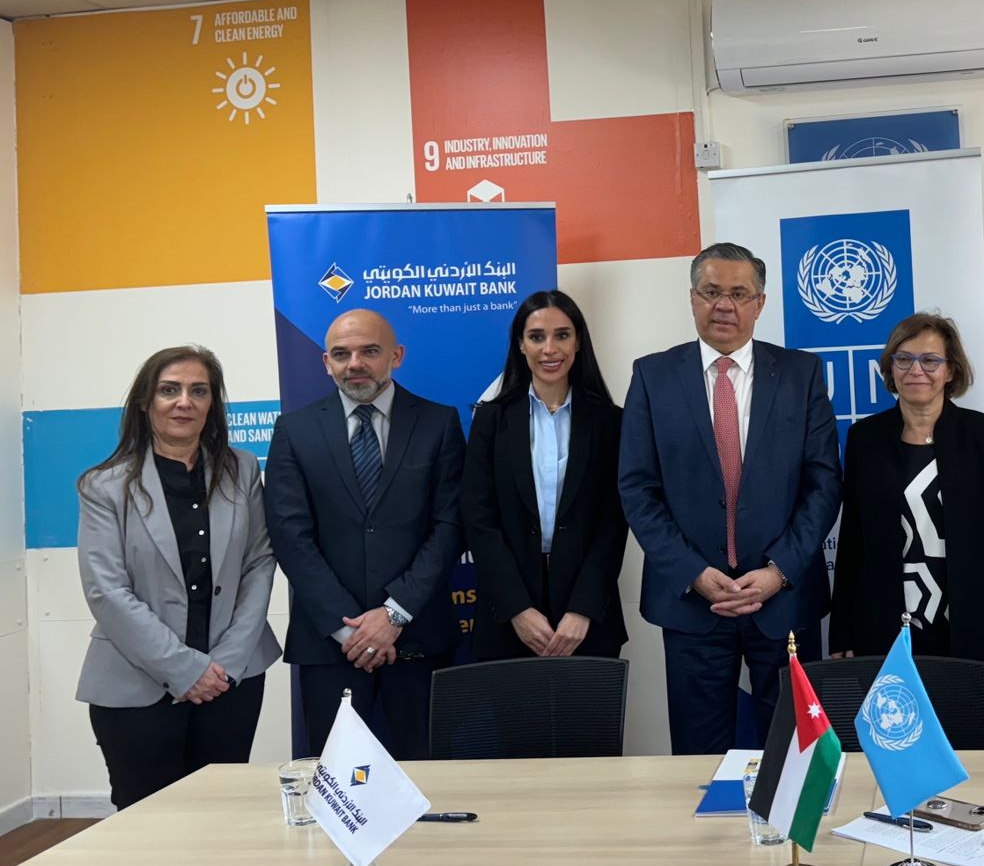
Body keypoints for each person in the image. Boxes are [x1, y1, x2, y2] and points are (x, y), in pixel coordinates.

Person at [620, 242, 842, 755]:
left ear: (760, 303)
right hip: (693, 603)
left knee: (794, 759)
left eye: (739, 294)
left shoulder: (802, 374)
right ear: (692, 298)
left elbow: (824, 481)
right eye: (711, 292)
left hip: (783, 599)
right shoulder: (652, 376)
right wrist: (693, 572)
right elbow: (637, 487)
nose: (724, 305)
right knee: (699, 762)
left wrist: (779, 571)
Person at [76, 346, 279, 809]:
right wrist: (186, 670)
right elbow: (106, 591)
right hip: (136, 686)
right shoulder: (103, 485)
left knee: (221, 814)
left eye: (198, 391)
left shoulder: (243, 470)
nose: (184, 402)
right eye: (169, 390)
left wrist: (224, 664)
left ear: (212, 403)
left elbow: (259, 563)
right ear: (145, 402)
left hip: (231, 681)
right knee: (148, 822)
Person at [265, 308, 464, 760]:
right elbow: (290, 536)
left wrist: (393, 615)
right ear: (326, 363)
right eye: (341, 354)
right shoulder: (294, 430)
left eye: (369, 351)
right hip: (330, 645)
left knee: (427, 778)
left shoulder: (439, 423)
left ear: (396, 355)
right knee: (338, 784)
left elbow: (450, 527)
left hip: (417, 639)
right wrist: (349, 630)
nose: (355, 363)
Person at [829, 312, 984, 747]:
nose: (915, 370)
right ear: (890, 368)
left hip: (971, 630)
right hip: (885, 631)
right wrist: (842, 631)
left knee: (969, 751)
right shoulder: (864, 438)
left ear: (951, 370)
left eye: (930, 360)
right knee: (893, 750)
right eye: (903, 359)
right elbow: (852, 543)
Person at [462, 289, 628, 661]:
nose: (550, 349)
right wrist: (517, 609)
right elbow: (478, 519)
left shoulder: (610, 421)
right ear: (521, 345)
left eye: (562, 335)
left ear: (578, 342)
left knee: (588, 705)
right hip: (508, 615)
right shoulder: (490, 419)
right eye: (537, 337)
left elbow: (614, 522)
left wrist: (583, 609)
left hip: (587, 617)